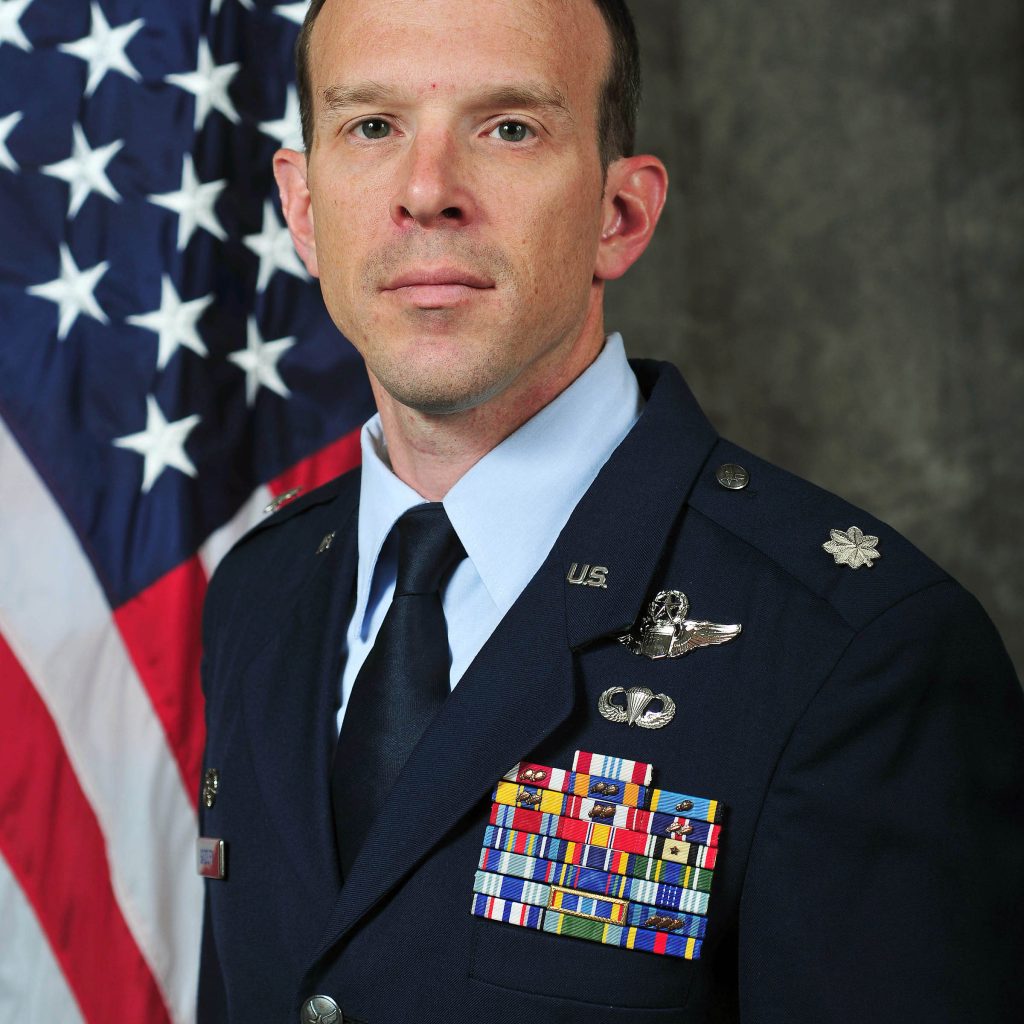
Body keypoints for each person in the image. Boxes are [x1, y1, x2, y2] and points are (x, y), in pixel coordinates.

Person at [197, 0, 1024, 1021]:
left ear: (619, 214)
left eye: (509, 127)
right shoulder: (262, 588)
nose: (426, 191)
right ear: (303, 207)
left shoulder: (857, 651)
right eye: (372, 126)